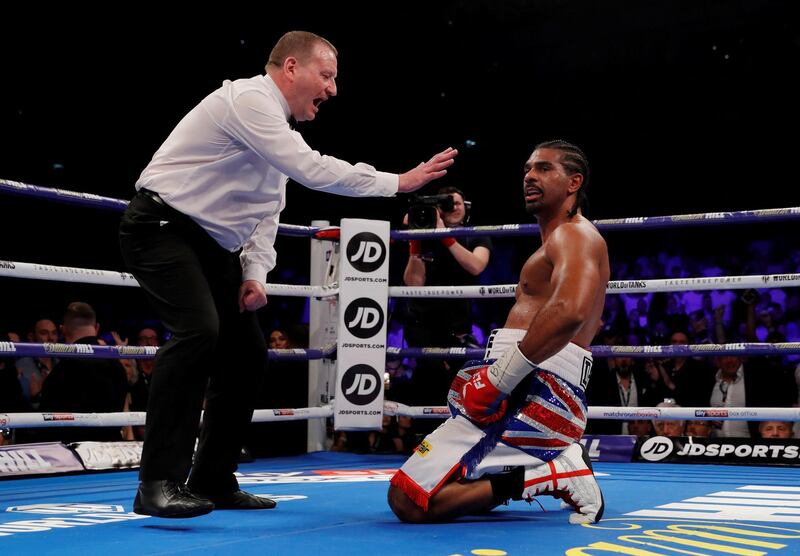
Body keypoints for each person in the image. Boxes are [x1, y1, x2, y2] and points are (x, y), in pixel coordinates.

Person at [119, 30, 457, 519]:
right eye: (327, 75)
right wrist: (396, 183)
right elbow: (309, 168)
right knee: (198, 332)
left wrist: (254, 271)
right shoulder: (250, 100)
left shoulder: (277, 135)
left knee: (247, 352)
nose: (333, 89)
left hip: (212, 247)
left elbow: (266, 212)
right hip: (161, 226)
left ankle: (212, 476)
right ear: (292, 68)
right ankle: (156, 482)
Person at [388, 140, 609, 524]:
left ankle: (554, 472)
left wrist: (498, 377)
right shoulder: (555, 240)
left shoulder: (575, 235)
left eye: (544, 168)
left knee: (411, 502)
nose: (530, 176)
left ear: (574, 182)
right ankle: (551, 472)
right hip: (521, 387)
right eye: (527, 168)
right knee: (407, 497)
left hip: (532, 390)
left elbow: (570, 310)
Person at [403, 186, 492, 412]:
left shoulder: (477, 234)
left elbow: (476, 266)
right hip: (423, 327)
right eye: (447, 204)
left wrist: (447, 238)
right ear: (437, 210)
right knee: (427, 389)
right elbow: (414, 284)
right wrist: (416, 242)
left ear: (466, 206)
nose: (453, 207)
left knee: (458, 393)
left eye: (458, 203)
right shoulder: (424, 234)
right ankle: (420, 442)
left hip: (456, 328)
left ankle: (455, 441)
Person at [38, 302, 129, 443]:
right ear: (97, 327)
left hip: (74, 456)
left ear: (63, 330)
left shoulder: (61, 371)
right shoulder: (117, 366)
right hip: (112, 452)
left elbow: (45, 425)